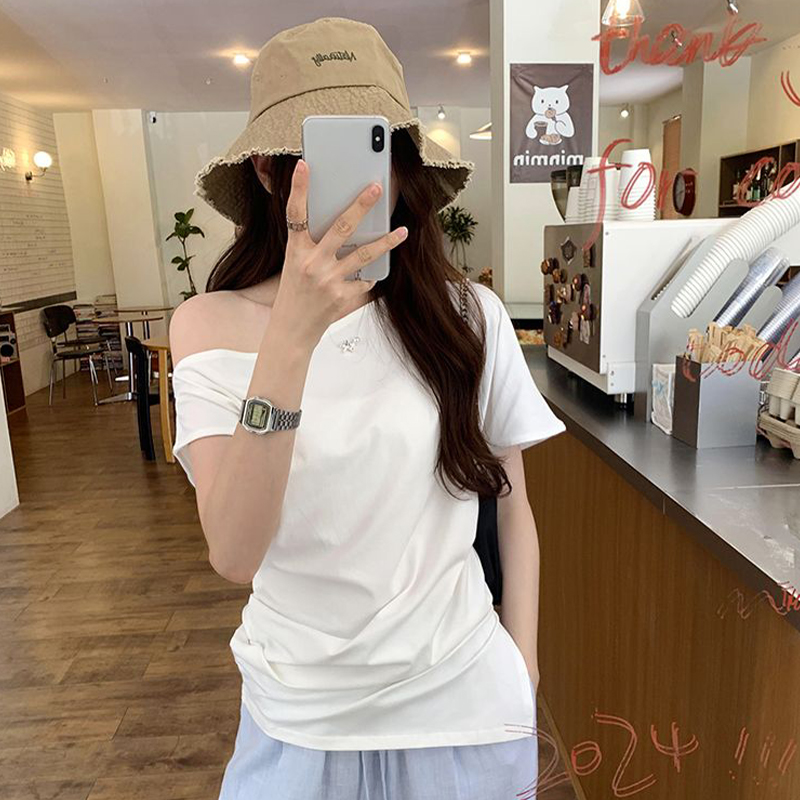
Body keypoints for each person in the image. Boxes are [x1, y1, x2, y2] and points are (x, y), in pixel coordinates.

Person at [168, 16, 566, 800]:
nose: (358, 182)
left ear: (402, 157)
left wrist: (524, 668)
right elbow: (235, 552)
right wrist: (291, 335)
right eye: (320, 151)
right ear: (268, 170)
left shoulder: (468, 317)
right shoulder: (208, 326)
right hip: (297, 721)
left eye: (375, 145)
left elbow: (512, 502)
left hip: (465, 708)